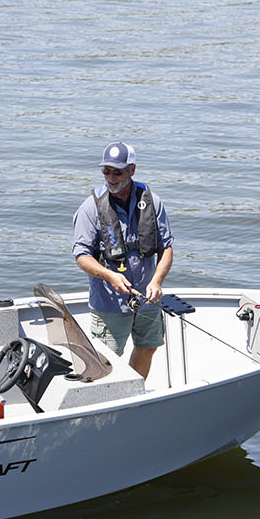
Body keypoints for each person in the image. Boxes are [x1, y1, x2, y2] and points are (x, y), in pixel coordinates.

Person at [72, 141, 174, 379]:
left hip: (148, 299)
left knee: (148, 346)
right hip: (110, 304)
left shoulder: (152, 202)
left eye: (117, 171)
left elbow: (166, 248)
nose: (111, 177)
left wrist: (157, 281)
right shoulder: (90, 208)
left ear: (132, 170)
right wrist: (110, 275)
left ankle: (132, 392)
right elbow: (81, 257)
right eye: (106, 171)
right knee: (105, 361)